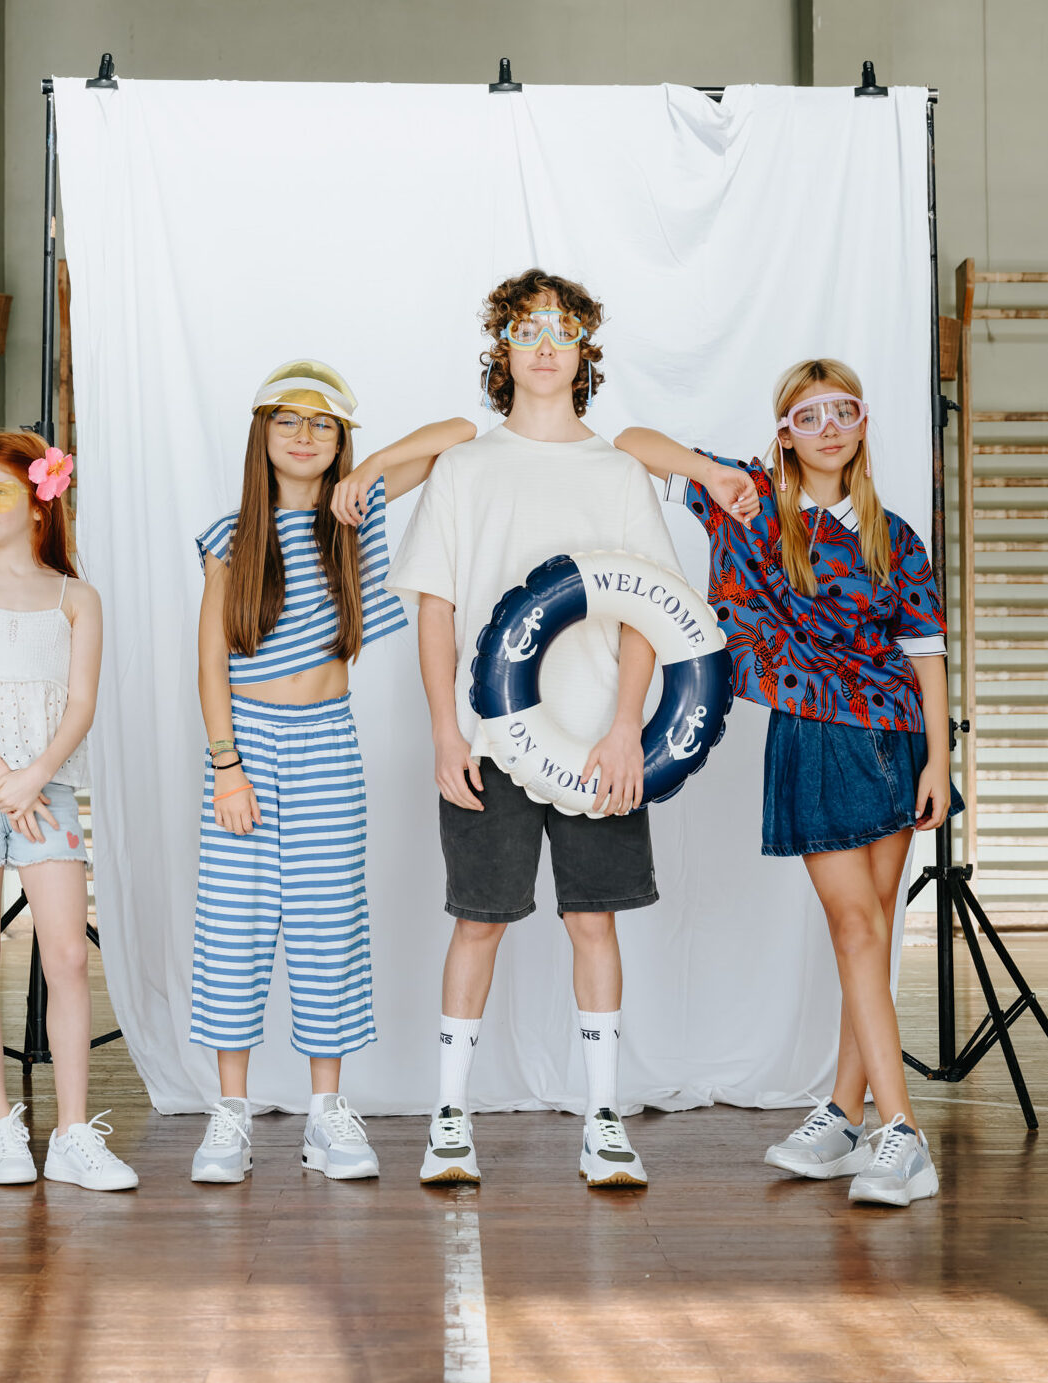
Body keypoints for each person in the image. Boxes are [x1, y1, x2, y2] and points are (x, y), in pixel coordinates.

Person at [616, 358, 963, 1208]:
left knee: (864, 937)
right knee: (857, 935)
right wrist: (709, 473)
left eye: (843, 411)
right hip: (810, 735)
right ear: (783, 434)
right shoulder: (748, 503)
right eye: (808, 416)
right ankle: (868, 1121)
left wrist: (939, 762)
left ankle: (881, 1127)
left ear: (862, 422)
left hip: (891, 740)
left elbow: (925, 653)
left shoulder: (892, 533)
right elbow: (629, 444)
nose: (829, 427)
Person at [386, 269, 686, 1188]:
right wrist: (444, 728)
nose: (545, 344)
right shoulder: (466, 470)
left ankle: (602, 1118)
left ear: (584, 350)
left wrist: (627, 726)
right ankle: (448, 1117)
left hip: (597, 742)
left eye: (562, 330)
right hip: (491, 742)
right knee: (478, 922)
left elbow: (651, 612)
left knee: (593, 921)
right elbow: (434, 608)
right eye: (526, 329)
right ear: (502, 349)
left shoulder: (617, 474)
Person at [190, 358, 474, 1183]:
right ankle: (230, 1115)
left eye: (324, 425)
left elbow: (458, 432)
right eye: (289, 421)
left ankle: (325, 1114)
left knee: (326, 921)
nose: (306, 436)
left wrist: (372, 468)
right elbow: (210, 664)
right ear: (262, 436)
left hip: (326, 741)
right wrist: (227, 766)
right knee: (234, 923)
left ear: (341, 438)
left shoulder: (357, 512)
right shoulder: (231, 535)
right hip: (244, 739)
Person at [0, 432, 138, 1190]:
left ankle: (73, 1132)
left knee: (68, 954)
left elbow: (80, 702)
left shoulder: (78, 598)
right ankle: (1, 1128)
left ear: (40, 502)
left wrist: (35, 774)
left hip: (46, 790)